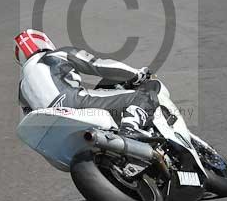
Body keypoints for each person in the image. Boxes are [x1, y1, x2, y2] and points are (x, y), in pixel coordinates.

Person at [14, 29, 160, 138]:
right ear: (43, 41)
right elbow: (100, 66)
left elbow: (29, 119)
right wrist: (136, 74)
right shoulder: (56, 55)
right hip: (76, 102)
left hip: (52, 128)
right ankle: (130, 128)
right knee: (143, 95)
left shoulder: (22, 88)